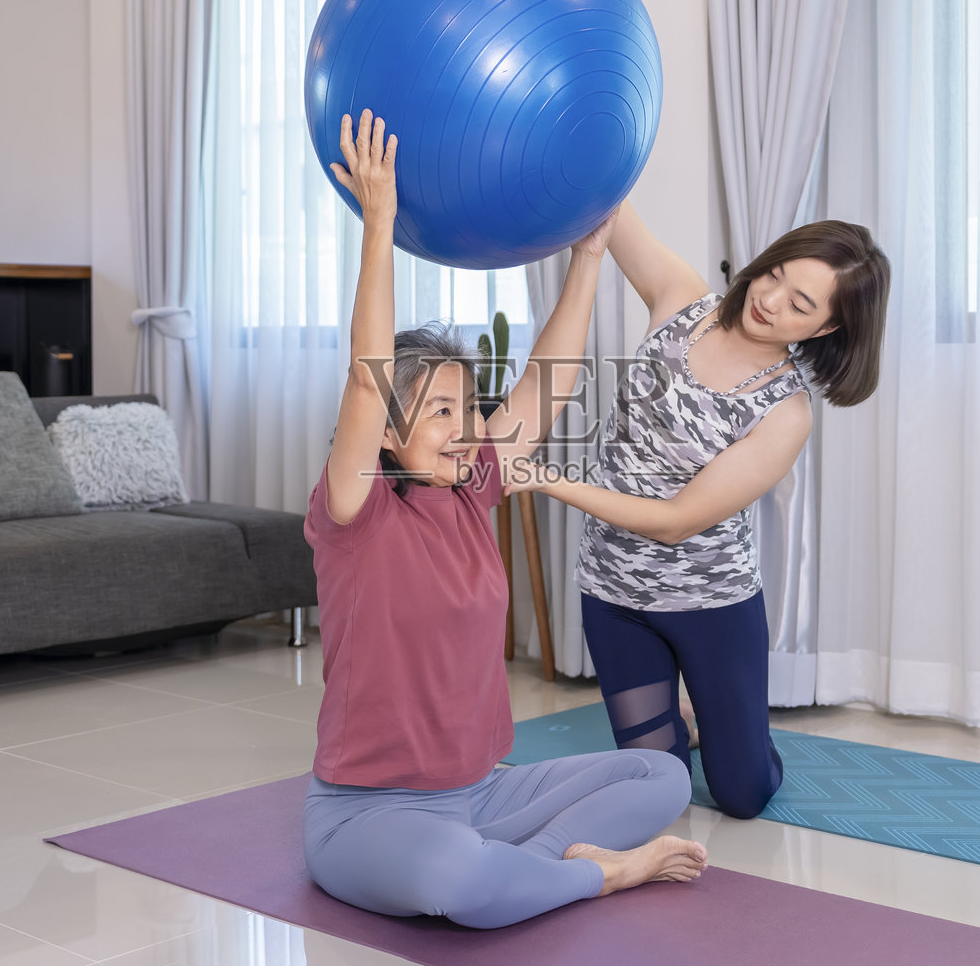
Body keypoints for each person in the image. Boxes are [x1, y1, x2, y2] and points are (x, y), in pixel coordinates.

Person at [301, 110, 707, 930]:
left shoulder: (471, 487)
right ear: (388, 429)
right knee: (459, 883)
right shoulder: (352, 508)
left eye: (468, 408)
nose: (465, 428)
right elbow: (366, 376)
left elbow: (548, 379)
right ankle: (594, 873)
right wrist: (380, 222)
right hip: (368, 811)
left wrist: (588, 256)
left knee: (662, 775)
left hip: (485, 792)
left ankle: (536, 863)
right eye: (439, 411)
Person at [505, 199, 890, 820]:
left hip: (710, 604)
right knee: (661, 784)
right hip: (613, 593)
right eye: (775, 275)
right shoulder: (682, 299)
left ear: (824, 330)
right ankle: (682, 718)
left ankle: (737, 734)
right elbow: (612, 201)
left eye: (799, 304)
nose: (769, 300)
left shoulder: (785, 414)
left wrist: (544, 479)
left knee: (742, 795)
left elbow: (677, 521)